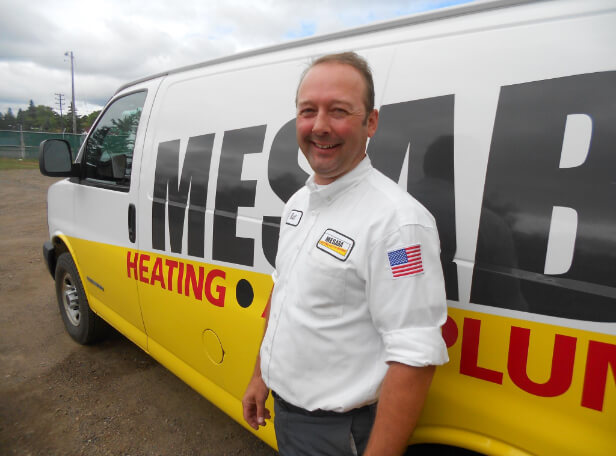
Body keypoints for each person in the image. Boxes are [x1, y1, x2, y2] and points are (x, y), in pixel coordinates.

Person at [242, 51, 449, 456]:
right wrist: (260, 376)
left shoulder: (398, 224)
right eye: (308, 111)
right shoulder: (299, 202)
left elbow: (415, 355)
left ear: (370, 122)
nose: (320, 126)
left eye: (338, 111)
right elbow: (284, 295)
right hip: (289, 414)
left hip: (339, 434)